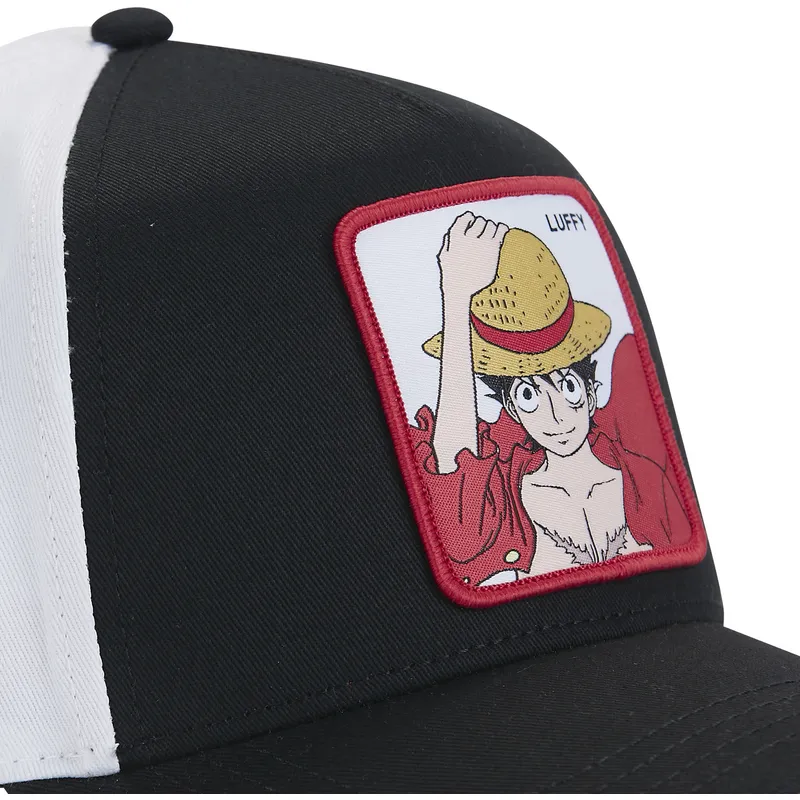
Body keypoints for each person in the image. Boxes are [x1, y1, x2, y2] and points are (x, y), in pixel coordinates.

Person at [410, 211, 691, 586]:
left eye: (569, 387)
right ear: (512, 409)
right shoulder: (508, 498)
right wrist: (456, 297)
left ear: (591, 392)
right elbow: (455, 487)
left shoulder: (644, 478)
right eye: (529, 396)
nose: (557, 417)